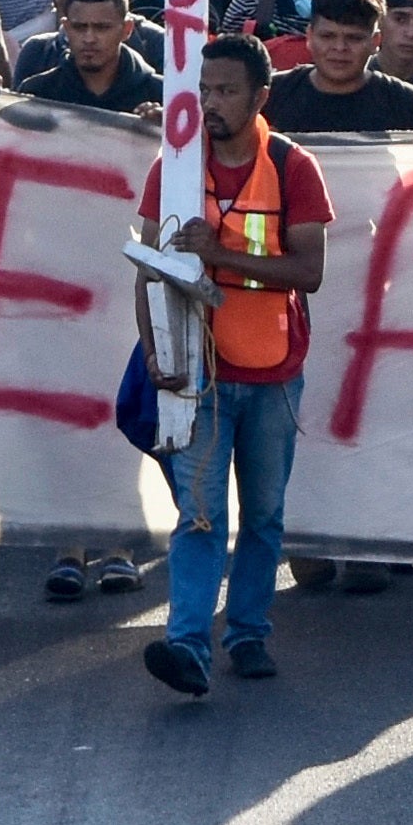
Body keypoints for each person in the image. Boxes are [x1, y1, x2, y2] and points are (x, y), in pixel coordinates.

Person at [141, 35, 330, 703]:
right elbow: (146, 268)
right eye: (204, 90)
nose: (212, 103)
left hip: (274, 371)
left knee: (265, 515)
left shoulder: (293, 166)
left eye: (226, 91)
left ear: (260, 97)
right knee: (198, 515)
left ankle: (247, 632)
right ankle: (188, 645)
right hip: (199, 374)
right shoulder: (174, 166)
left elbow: (309, 271)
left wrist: (220, 257)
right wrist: (157, 352)